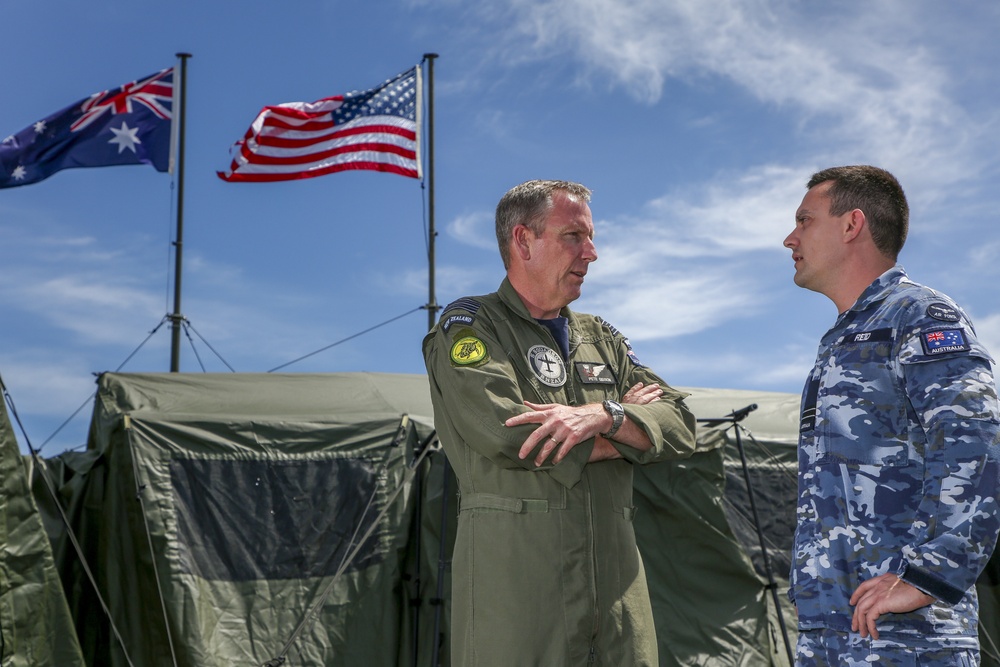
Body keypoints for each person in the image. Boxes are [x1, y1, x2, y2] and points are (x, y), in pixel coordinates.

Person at [422, 179, 699, 666]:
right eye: (574, 236)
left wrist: (602, 416)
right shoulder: (470, 326)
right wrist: (632, 432)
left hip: (617, 599)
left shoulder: (602, 337)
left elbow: (679, 424)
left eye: (590, 237)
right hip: (519, 600)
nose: (591, 253)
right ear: (523, 241)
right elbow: (512, 434)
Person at [783, 165, 1000, 666]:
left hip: (909, 641)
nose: (790, 237)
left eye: (804, 220)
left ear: (851, 224)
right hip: (833, 637)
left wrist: (928, 576)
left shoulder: (918, 316)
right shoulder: (842, 338)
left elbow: (976, 446)